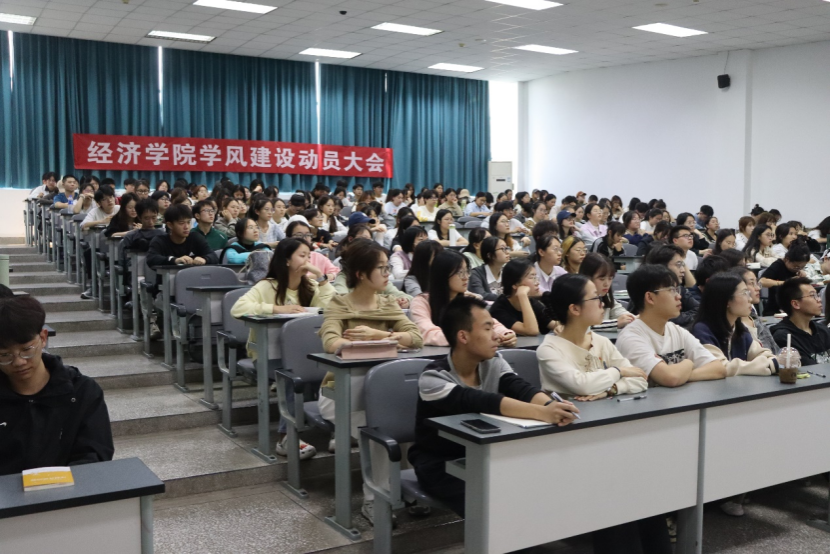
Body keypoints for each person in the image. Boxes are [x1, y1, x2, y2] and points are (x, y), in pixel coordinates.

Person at [408, 295, 578, 516]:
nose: (496, 335)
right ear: (463, 336)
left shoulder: (493, 362)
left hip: (485, 455)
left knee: (537, 487)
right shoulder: (433, 377)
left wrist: (552, 406)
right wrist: (542, 413)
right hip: (439, 463)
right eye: (488, 329)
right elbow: (481, 401)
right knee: (494, 505)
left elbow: (520, 388)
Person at [318, 240, 423, 524]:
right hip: (341, 393)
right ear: (362, 274)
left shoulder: (389, 303)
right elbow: (330, 342)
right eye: (381, 268)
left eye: (389, 267)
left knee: (405, 422)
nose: (388, 273)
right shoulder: (339, 303)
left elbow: (415, 337)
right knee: (379, 433)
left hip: (384, 392)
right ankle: (374, 499)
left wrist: (379, 337)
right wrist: (373, 344)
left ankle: (405, 488)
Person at [231, 238, 335, 459]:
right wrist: (277, 309)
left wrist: (323, 279)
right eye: (302, 255)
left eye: (309, 255)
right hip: (269, 356)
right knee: (292, 376)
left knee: (331, 372)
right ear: (287, 260)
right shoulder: (267, 285)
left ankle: (338, 431)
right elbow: (238, 308)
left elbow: (334, 308)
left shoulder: (311, 285)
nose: (307, 260)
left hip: (305, 354)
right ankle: (286, 437)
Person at [0, 296, 114, 476]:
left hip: (68, 495)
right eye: (5, 355)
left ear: (43, 338)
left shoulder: (82, 392)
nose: (19, 362)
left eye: (27, 350)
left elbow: (94, 455)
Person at [537, 274, 647, 398]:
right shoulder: (548, 350)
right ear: (575, 309)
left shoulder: (602, 342)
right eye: (596, 298)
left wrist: (611, 390)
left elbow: (640, 378)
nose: (603, 304)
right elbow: (582, 385)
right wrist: (619, 371)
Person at [616, 265, 726, 387]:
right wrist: (689, 362)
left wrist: (682, 375)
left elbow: (718, 368)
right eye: (671, 290)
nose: (679, 297)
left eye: (677, 290)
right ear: (650, 297)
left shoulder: (675, 330)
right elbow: (671, 378)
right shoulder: (631, 338)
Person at [410, 251, 517, 347]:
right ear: (442, 274)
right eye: (460, 273)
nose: (466, 277)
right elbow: (428, 333)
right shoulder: (421, 302)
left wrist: (505, 334)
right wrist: (473, 338)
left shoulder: (467, 300)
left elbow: (490, 323)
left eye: (467, 271)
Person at [692, 272, 779, 379]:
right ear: (726, 300)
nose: (750, 299)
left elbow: (763, 353)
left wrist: (775, 361)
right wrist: (768, 365)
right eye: (744, 293)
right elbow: (721, 368)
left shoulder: (739, 329)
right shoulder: (702, 331)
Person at [489, 259, 556, 336]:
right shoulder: (498, 309)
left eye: (536, 277)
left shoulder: (532, 302)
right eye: (532, 278)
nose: (537, 283)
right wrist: (522, 295)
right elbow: (531, 331)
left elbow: (552, 324)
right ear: (515, 284)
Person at [771, 277, 830, 365]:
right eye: (812, 295)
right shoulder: (784, 337)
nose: (819, 300)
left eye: (817, 295)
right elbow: (806, 368)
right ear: (795, 304)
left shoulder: (823, 330)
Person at [146, 204, 219, 268]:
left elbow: (213, 256)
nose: (186, 227)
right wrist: (174, 260)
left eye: (188, 222)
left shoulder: (195, 237)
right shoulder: (160, 240)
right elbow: (151, 259)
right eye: (181, 223)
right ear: (170, 225)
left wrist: (205, 259)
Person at [731, 267, 780, 355]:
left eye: (757, 283)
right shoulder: (733, 327)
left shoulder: (754, 318)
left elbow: (776, 351)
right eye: (752, 283)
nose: (758, 288)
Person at [579, 253, 634, 328]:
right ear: (587, 277)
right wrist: (616, 323)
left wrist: (634, 319)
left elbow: (622, 314)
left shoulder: (606, 297)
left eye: (610, 278)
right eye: (601, 279)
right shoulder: (579, 299)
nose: (607, 284)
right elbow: (587, 325)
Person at [759, 243, 811, 315]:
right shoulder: (778, 265)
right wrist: (787, 282)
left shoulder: (796, 270)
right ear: (787, 259)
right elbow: (762, 281)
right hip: (775, 310)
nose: (798, 269)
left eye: (802, 267)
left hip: (793, 309)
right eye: (796, 266)